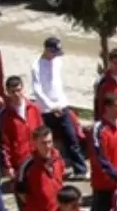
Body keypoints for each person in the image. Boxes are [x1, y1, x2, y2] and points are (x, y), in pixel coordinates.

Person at [31, 37, 88, 178]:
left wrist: (62, 103)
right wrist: (51, 106)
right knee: (51, 142)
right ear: (47, 50)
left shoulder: (58, 62)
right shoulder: (36, 66)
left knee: (72, 137)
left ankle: (80, 169)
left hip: (62, 106)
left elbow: (58, 84)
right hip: (47, 110)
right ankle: (54, 169)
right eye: (53, 52)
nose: (55, 55)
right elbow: (38, 90)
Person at [15, 126, 65, 211]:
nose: (48, 146)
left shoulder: (57, 157)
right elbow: (21, 192)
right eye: (43, 143)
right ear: (34, 143)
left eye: (50, 142)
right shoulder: (28, 166)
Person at [0, 76, 43, 180]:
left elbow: (43, 132)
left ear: (23, 89)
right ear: (8, 92)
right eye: (13, 91)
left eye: (19, 90)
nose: (17, 94)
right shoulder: (5, 115)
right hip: (20, 162)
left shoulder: (34, 108)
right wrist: (8, 166)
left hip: (37, 157)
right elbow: (4, 143)